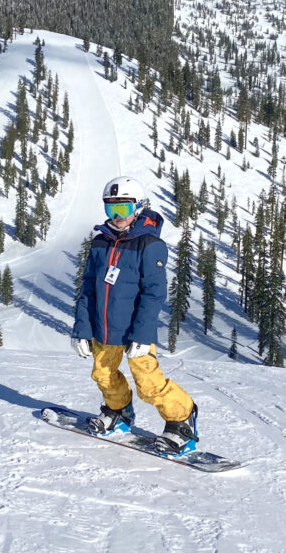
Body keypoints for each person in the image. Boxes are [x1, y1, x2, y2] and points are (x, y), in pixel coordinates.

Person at [71, 175, 199, 455]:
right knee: (103, 375)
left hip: (134, 331)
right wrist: (81, 329)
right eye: (111, 209)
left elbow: (154, 294)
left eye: (124, 209)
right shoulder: (100, 244)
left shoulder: (149, 244)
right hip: (104, 330)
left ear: (138, 207)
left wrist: (141, 336)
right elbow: (88, 290)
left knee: (148, 383)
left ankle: (181, 422)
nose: (117, 216)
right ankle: (118, 413)